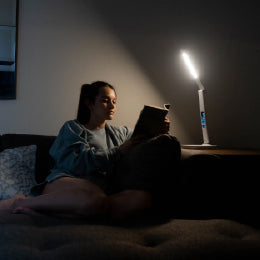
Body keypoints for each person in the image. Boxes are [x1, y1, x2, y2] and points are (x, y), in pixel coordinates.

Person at [0, 81, 180, 220]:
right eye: (105, 100)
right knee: (95, 200)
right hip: (67, 181)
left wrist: (159, 132)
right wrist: (118, 152)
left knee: (143, 199)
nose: (112, 106)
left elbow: (141, 143)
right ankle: (23, 202)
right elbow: (76, 163)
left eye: (114, 102)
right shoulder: (73, 128)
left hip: (101, 190)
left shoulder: (121, 133)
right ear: (89, 104)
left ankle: (60, 212)